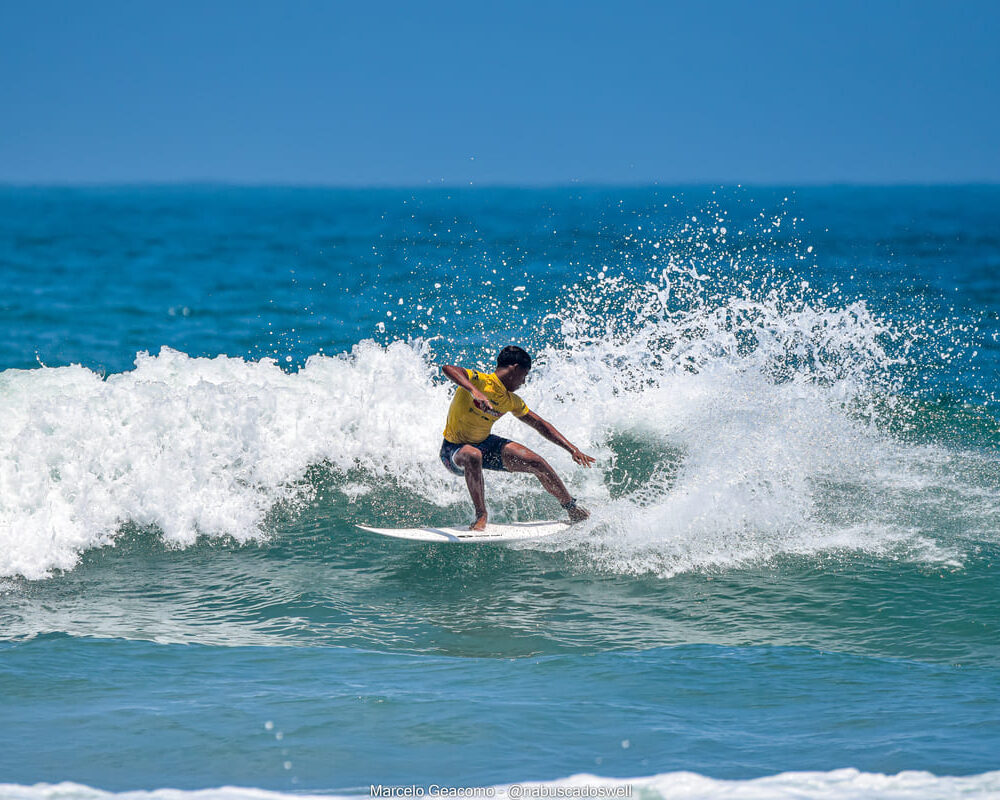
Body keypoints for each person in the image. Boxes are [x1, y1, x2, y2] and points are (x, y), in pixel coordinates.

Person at [440, 345, 595, 530]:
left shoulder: (511, 400)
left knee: (537, 462)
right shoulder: (480, 381)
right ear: (514, 368)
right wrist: (475, 391)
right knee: (473, 455)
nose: (523, 381)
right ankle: (481, 515)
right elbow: (448, 369)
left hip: (484, 444)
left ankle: (571, 508)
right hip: (454, 451)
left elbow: (540, 424)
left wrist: (572, 449)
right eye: (525, 374)